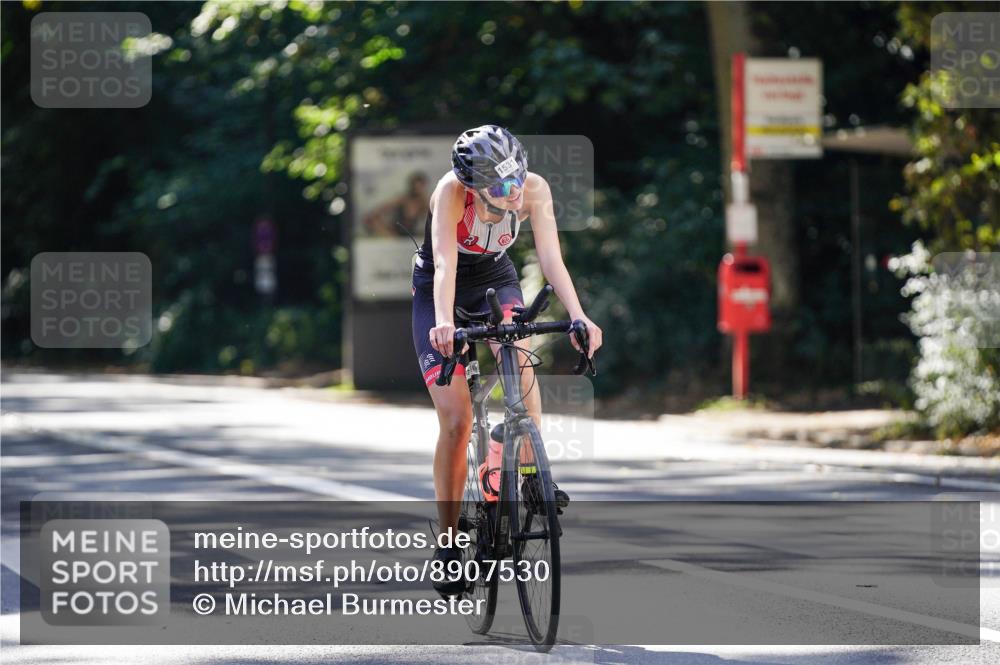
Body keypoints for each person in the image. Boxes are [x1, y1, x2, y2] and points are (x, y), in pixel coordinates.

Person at [411, 125, 603, 596]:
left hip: (498, 279)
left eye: (515, 178)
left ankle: (525, 468)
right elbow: (445, 265)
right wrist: (443, 323)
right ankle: (451, 544)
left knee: (520, 360)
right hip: (442, 288)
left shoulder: (534, 188)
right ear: (474, 186)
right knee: (456, 422)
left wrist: (579, 316)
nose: (513, 193)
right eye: (499, 187)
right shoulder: (450, 193)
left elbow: (552, 260)